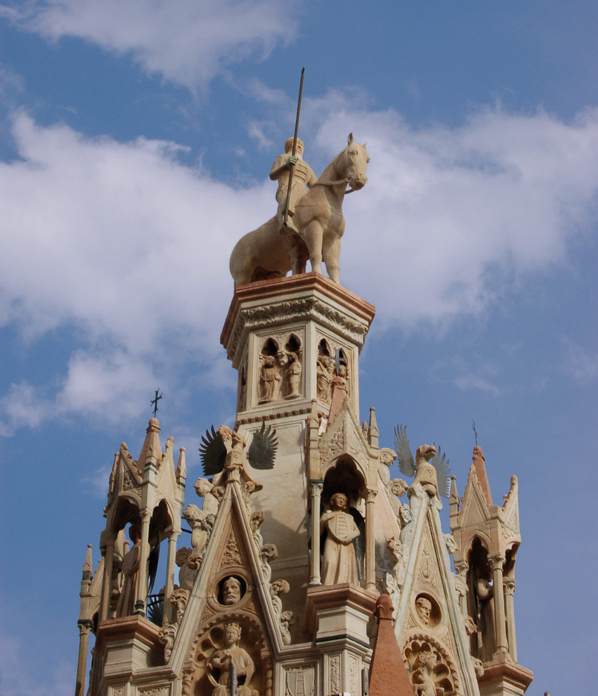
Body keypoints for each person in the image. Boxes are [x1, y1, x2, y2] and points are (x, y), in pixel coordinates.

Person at [269, 137, 317, 233]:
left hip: (304, 193)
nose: (299, 147)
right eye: (296, 144)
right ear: (290, 146)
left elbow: (317, 186)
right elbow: (272, 175)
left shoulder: (307, 167)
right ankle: (286, 217)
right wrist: (286, 166)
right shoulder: (283, 157)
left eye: (301, 146)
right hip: (286, 188)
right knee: (298, 186)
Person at [320, 492, 360, 585]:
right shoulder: (326, 516)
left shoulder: (349, 517)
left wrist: (349, 537)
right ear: (333, 501)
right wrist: (323, 519)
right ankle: (328, 584)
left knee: (344, 564)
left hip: (347, 544)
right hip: (331, 542)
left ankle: (343, 583)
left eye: (344, 499)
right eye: (339, 498)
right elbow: (318, 532)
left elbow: (357, 531)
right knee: (329, 562)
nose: (341, 500)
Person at [207, 622, 258, 696]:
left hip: (238, 683)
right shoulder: (219, 653)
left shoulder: (241, 652)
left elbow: (251, 666)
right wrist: (215, 665)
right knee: (219, 691)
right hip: (223, 683)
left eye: (233, 633)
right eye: (228, 633)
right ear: (224, 636)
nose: (230, 635)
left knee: (245, 691)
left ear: (238, 636)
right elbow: (213, 665)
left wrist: (242, 671)